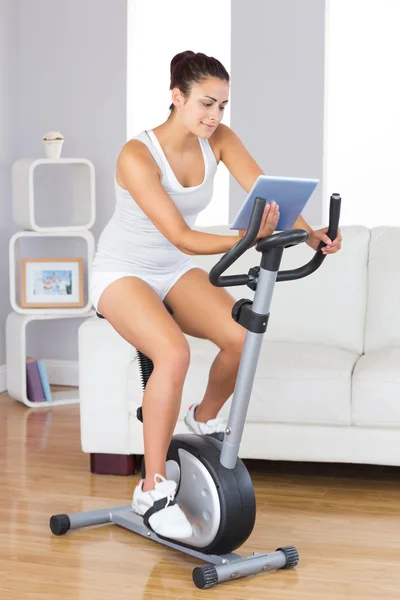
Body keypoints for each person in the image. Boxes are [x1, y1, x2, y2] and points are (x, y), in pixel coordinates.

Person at [90, 50, 342, 540]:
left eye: (223, 106)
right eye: (206, 103)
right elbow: (183, 235)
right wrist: (249, 237)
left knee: (241, 337)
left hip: (171, 270)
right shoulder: (137, 155)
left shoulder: (219, 140)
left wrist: (313, 234)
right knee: (173, 352)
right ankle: (153, 487)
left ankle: (200, 421)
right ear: (176, 97)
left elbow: (271, 198)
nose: (215, 116)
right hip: (122, 271)